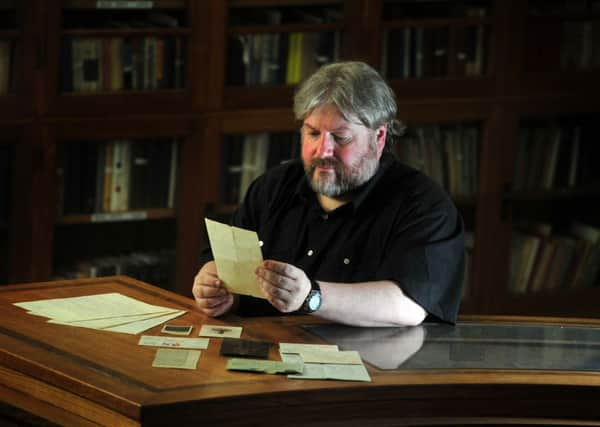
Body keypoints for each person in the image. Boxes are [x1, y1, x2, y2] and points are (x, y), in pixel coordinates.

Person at [193, 61, 464, 326]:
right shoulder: (273, 186)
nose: (322, 151)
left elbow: (409, 306)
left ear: (379, 137)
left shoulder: (424, 205)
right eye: (312, 133)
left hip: (370, 364)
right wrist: (216, 288)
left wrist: (311, 296)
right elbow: (226, 266)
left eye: (341, 137)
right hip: (264, 353)